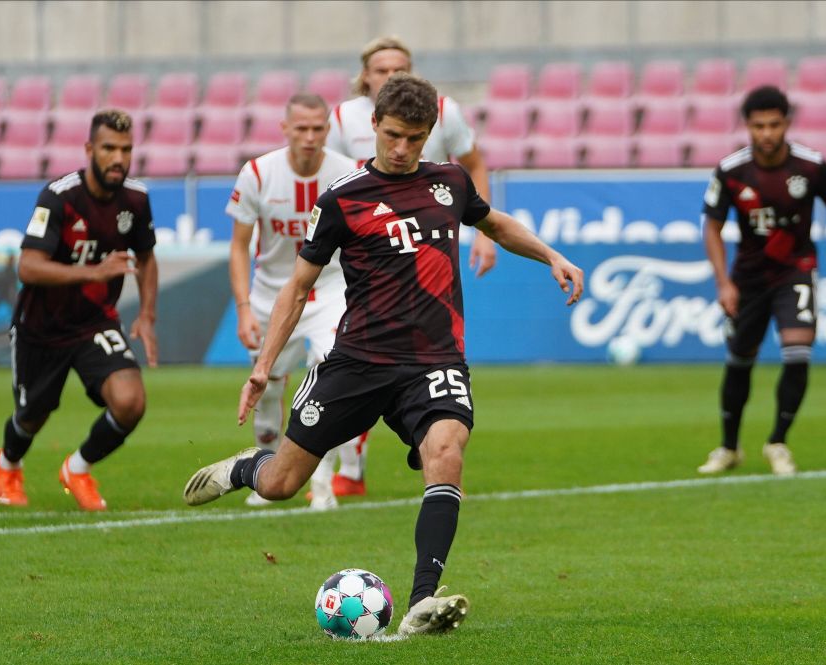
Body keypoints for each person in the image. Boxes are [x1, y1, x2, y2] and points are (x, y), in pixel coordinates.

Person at [183, 73, 584, 635]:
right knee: (280, 486)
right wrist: (262, 367)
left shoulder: (450, 182)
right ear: (373, 126)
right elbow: (297, 289)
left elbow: (495, 224)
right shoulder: (343, 199)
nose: (402, 149)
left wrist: (552, 256)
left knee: (447, 450)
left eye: (415, 138)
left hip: (433, 360)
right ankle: (245, 467)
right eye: (393, 135)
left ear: (429, 136)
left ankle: (424, 600)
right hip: (357, 361)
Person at [324, 35, 498, 497]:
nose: (390, 76)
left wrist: (482, 232)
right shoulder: (342, 117)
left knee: (416, 354)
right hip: (363, 250)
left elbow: (475, 164)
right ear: (365, 76)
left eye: (399, 68)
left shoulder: (443, 110)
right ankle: (349, 468)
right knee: (354, 353)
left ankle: (404, 441)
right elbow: (332, 179)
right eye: (381, 69)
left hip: (426, 250)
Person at [0, 109, 158, 511]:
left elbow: (147, 258)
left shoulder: (135, 199)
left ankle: (78, 468)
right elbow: (28, 266)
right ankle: (8, 463)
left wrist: (147, 316)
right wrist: (94, 271)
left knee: (131, 401)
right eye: (108, 148)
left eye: (126, 149)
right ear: (89, 150)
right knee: (32, 417)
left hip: (94, 323)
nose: (118, 157)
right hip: (41, 328)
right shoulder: (60, 196)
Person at [698, 86, 826, 476]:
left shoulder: (810, 166)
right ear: (748, 127)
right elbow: (712, 226)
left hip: (796, 269)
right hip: (749, 278)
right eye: (759, 126)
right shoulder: (731, 170)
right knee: (739, 361)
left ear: (787, 123)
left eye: (775, 124)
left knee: (798, 351)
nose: (767, 133)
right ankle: (729, 446)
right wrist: (723, 283)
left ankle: (778, 441)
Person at [228, 93, 361, 510]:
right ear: (284, 129)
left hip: (331, 288)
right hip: (272, 294)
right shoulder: (258, 174)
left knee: (331, 373)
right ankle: (266, 475)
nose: (309, 136)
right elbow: (238, 247)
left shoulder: (348, 173)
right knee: (266, 387)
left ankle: (320, 481)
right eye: (300, 128)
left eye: (317, 128)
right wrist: (244, 307)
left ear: (327, 129)